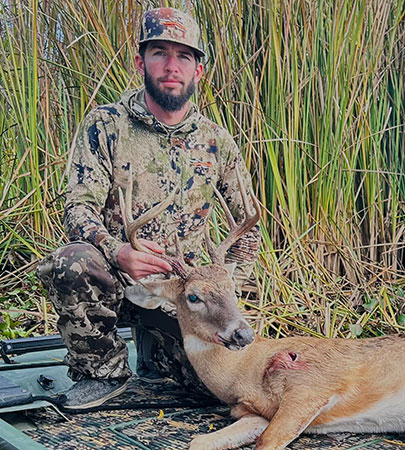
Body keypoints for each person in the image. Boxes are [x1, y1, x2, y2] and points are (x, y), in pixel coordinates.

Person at [36, 7, 260, 408]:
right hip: (115, 280)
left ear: (198, 70)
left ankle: (154, 350)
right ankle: (101, 370)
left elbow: (249, 227)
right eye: (160, 52)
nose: (171, 66)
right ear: (141, 61)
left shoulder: (217, 141)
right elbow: (77, 208)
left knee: (210, 389)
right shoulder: (106, 125)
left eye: (184, 56)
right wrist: (119, 252)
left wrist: (222, 288)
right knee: (70, 261)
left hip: (186, 295)